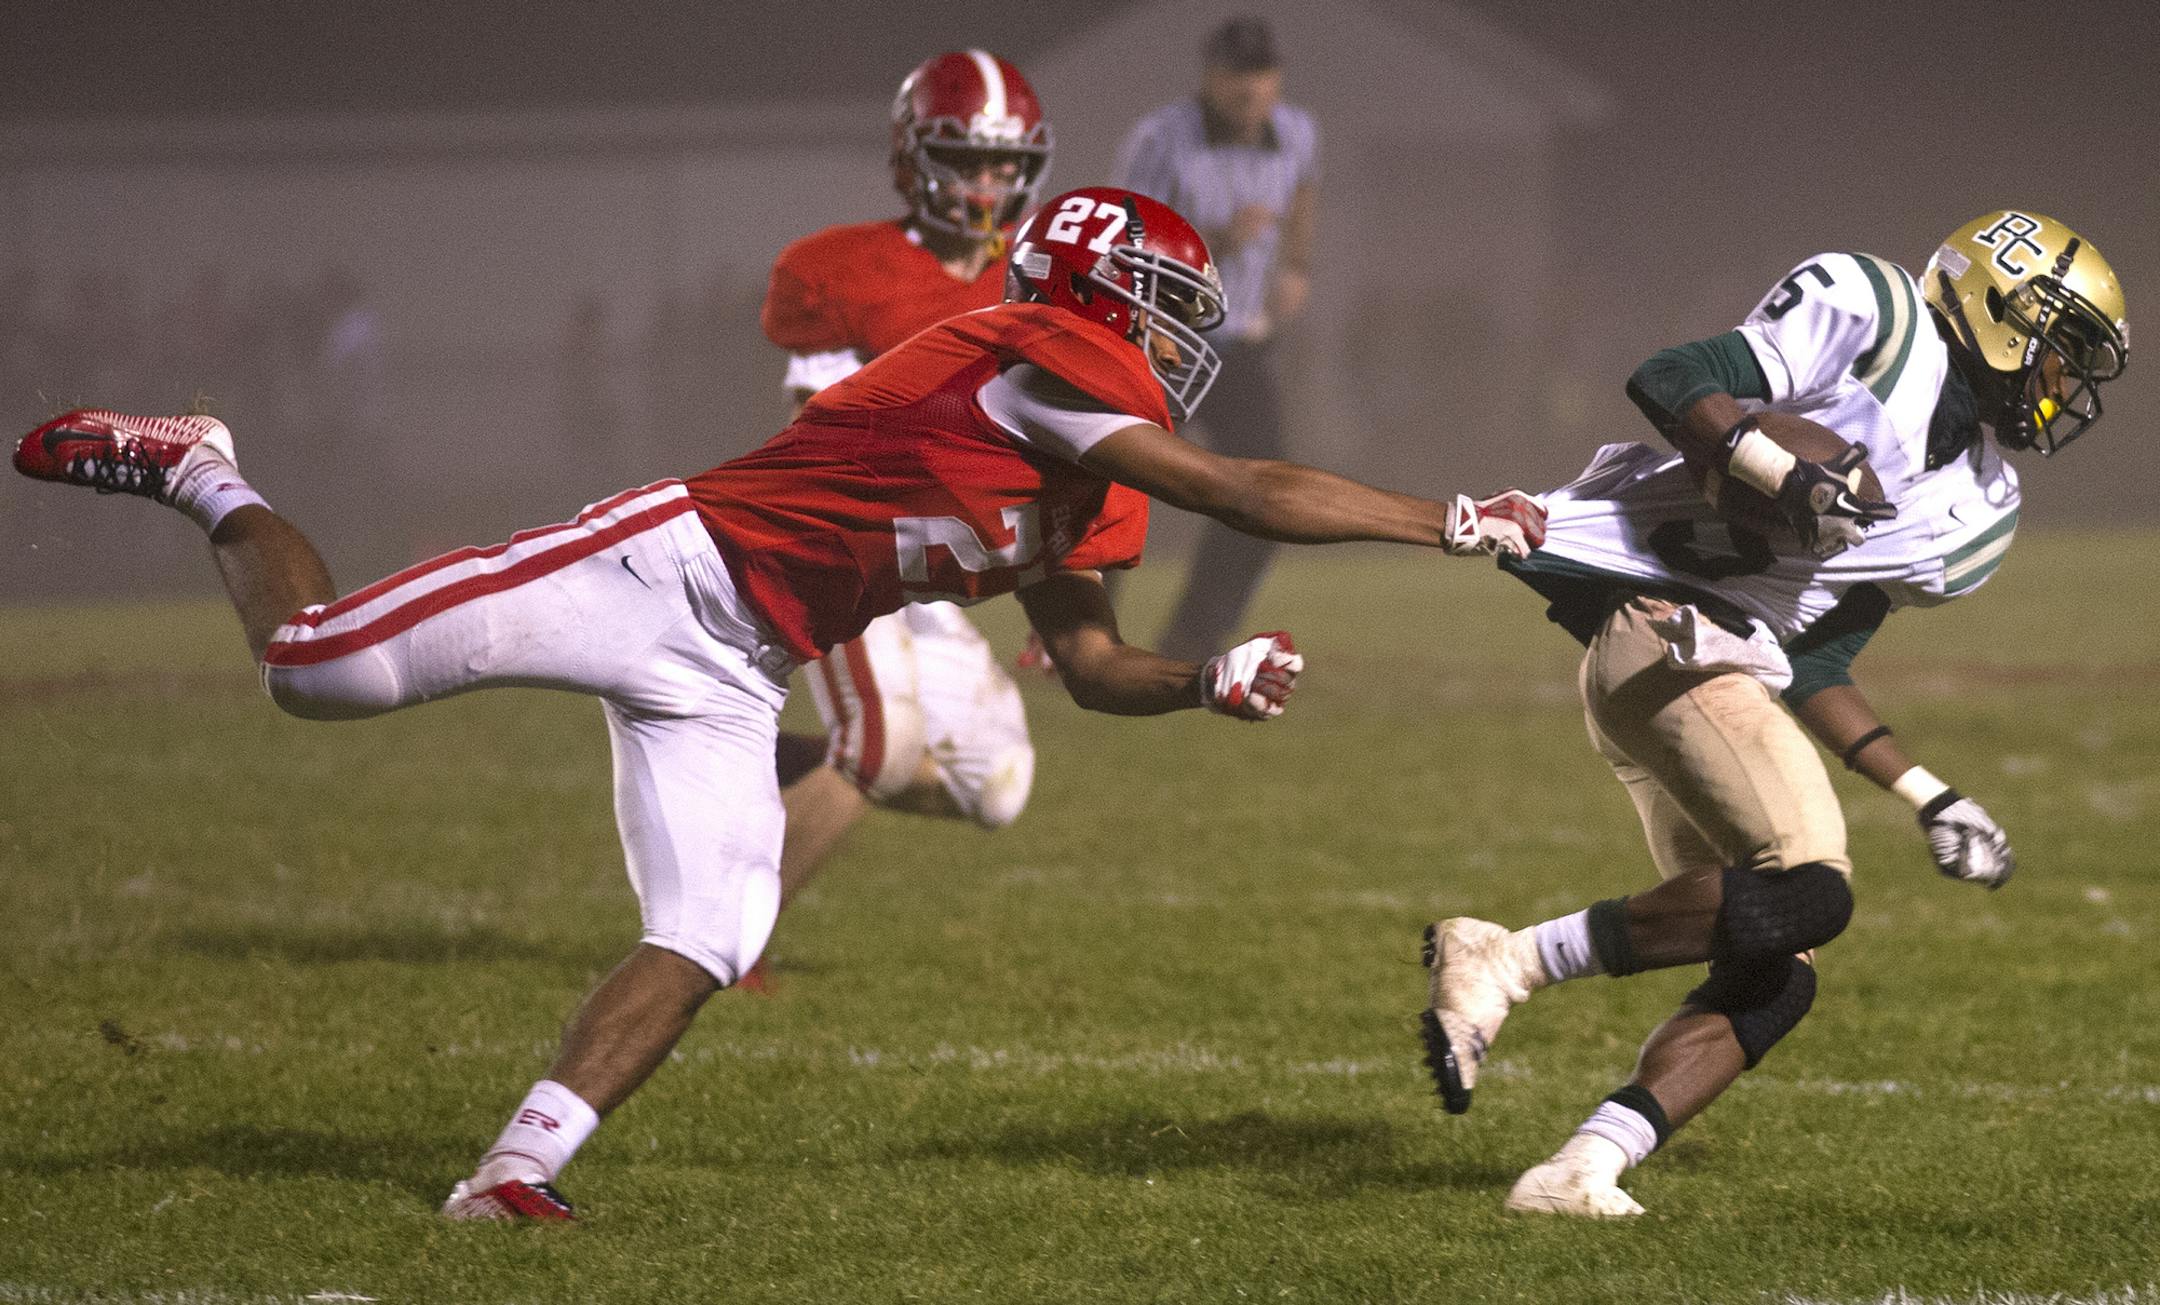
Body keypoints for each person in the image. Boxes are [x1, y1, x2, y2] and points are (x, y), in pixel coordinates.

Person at [16, 185, 1546, 1222]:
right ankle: (196, 464)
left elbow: (1088, 669)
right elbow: (1247, 489)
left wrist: (1200, 681)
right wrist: (1453, 516)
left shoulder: (1086, 467)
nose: (1177, 336)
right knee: (311, 669)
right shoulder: (1038, 351)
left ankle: (509, 1175)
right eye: (1160, 302)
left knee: (713, 928)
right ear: (1094, 290)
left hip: (740, 668)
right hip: (657, 568)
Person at [1418, 210, 2129, 1217]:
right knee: (1812, 889)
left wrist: (1929, 793)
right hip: (1665, 629)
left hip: (1709, 669)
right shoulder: (1874, 313)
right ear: (2002, 314)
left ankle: (1579, 1170)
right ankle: (1510, 958)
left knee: (1775, 970)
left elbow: (1817, 655)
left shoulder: (1981, 504)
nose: (2065, 384)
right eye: (2062, 352)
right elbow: (1671, 378)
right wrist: (1775, 467)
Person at [757, 50, 1054, 926]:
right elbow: (828, 438)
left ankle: (751, 755)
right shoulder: (840, 269)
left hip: (928, 561)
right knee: (882, 751)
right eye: (966, 159)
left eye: (1005, 162)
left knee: (994, 782)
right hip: (843, 538)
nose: (988, 181)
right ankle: (715, 947)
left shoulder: (1033, 276)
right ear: (913, 157)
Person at [1109, 13, 1319, 661]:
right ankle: (1076, 634)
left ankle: (1194, 635)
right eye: (1236, 77)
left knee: (1266, 500)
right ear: (1209, 78)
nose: (1249, 91)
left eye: (1260, 76)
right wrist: (1218, 242)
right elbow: (1124, 241)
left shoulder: (1295, 133)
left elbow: (1304, 191)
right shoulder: (1161, 140)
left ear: (1277, 79)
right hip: (1160, 339)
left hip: (1238, 346)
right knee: (1113, 488)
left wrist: (1297, 265)